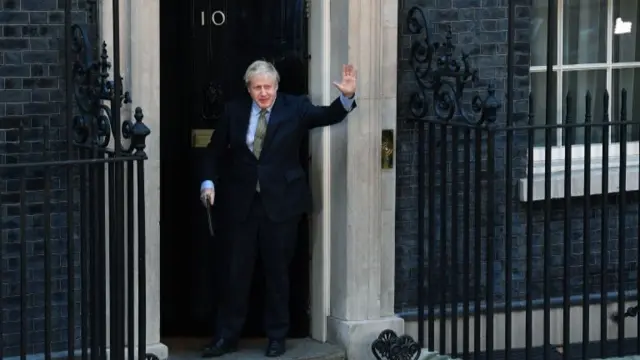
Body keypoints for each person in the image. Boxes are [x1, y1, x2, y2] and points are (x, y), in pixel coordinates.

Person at [200, 60, 357, 357]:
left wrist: (347, 97)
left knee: (277, 274)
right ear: (248, 89)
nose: (263, 93)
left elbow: (328, 115)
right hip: (241, 205)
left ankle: (276, 337)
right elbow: (214, 151)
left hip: (282, 204)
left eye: (268, 87)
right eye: (257, 87)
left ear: (276, 86)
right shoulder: (234, 111)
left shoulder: (295, 107)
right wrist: (207, 182)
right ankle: (226, 337)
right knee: (235, 274)